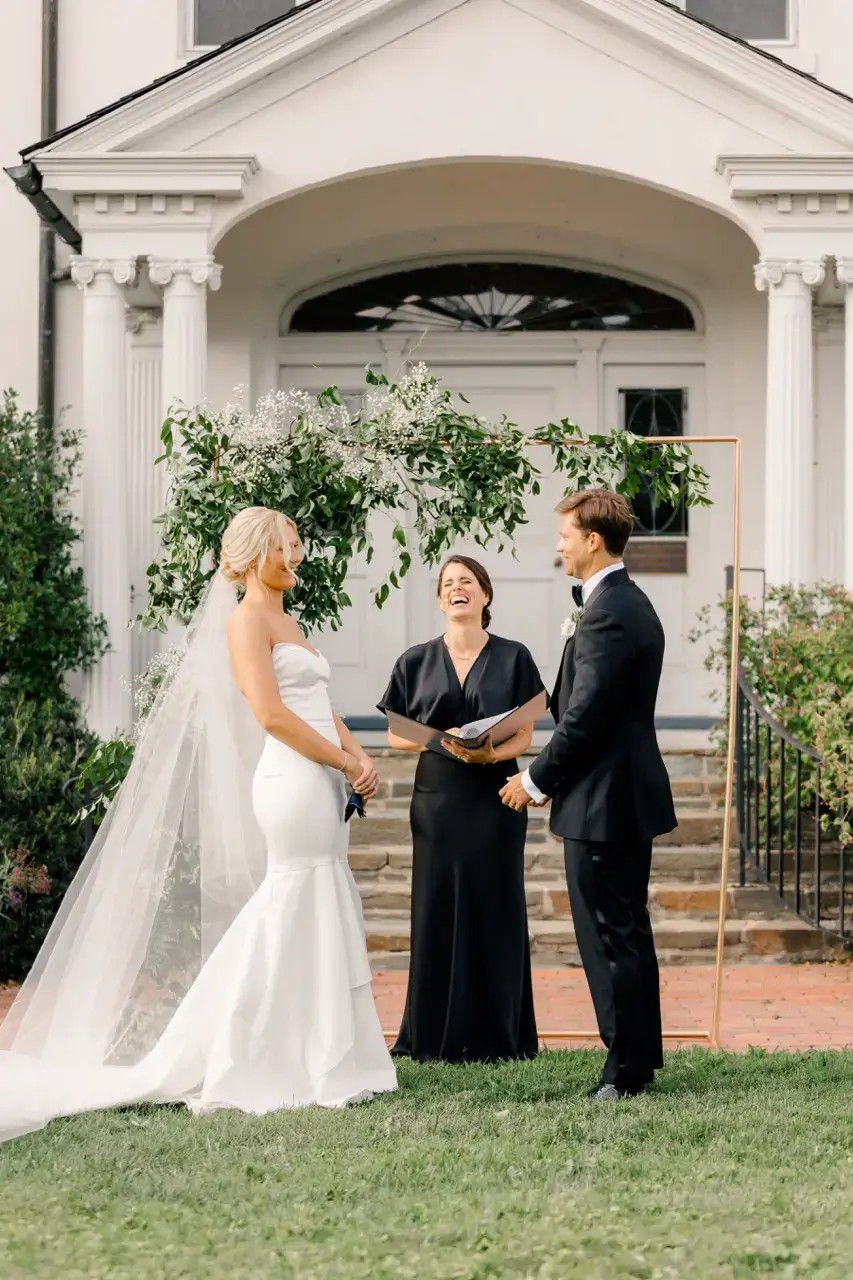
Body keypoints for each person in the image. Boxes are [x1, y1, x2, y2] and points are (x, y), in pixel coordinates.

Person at [0, 506, 396, 1144]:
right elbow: (270, 714)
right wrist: (342, 762)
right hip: (292, 781)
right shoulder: (245, 622)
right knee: (292, 900)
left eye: (297, 545)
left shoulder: (289, 618)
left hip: (323, 777)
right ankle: (251, 1055)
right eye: (287, 546)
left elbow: (318, 705)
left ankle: (327, 1055)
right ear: (257, 554)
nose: (297, 556)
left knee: (315, 900)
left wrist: (357, 755)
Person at [500, 489, 677, 1100]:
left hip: (605, 801)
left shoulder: (609, 612)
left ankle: (624, 1070)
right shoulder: (624, 604)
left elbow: (587, 717)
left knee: (608, 933)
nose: (558, 545)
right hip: (615, 794)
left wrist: (534, 780)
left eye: (565, 534)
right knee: (626, 928)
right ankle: (639, 1058)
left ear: (593, 540)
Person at [378, 555, 545, 1062]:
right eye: (448, 584)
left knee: (497, 906)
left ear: (485, 595)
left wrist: (490, 752)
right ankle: (431, 1035)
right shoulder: (414, 661)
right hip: (438, 801)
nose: (458, 590)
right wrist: (443, 741)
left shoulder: (515, 657)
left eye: (467, 582)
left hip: (497, 793)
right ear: (439, 599)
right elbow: (394, 734)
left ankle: (501, 1036)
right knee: (437, 908)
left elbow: (528, 727)